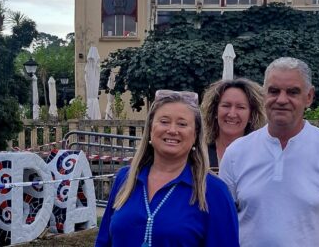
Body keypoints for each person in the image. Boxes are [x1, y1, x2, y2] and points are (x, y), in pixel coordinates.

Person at [220, 57, 319, 247]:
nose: (281, 100)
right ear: (263, 95)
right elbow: (221, 223)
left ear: (309, 97)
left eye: (292, 92)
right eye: (274, 91)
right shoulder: (236, 153)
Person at [95, 89, 239, 246]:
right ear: (150, 129)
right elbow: (103, 242)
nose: (172, 130)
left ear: (195, 135)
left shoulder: (213, 191)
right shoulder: (125, 179)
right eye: (164, 121)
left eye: (182, 124)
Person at [201, 78, 266, 171]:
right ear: (215, 111)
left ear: (252, 115)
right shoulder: (198, 153)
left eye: (241, 107)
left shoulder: (262, 156)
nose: (232, 114)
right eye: (226, 106)